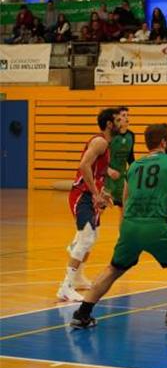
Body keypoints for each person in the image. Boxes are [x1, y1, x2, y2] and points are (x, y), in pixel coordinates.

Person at [70, 123, 167, 329]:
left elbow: (125, 201)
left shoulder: (133, 167)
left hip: (130, 226)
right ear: (163, 142)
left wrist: (126, 231)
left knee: (114, 268)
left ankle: (82, 314)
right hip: (156, 226)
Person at [57, 108, 120, 302]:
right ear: (109, 123)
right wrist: (94, 193)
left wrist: (102, 193)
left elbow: (95, 172)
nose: (122, 123)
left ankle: (77, 277)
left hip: (91, 196)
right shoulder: (99, 141)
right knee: (86, 238)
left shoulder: (105, 145)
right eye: (118, 120)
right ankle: (65, 287)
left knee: (91, 238)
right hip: (82, 196)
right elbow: (83, 166)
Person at [105, 107, 135, 211]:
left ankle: (123, 228)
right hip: (107, 178)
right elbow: (101, 157)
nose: (126, 118)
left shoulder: (131, 135)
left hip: (121, 178)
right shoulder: (111, 135)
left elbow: (130, 157)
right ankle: (93, 227)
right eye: (123, 116)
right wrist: (108, 170)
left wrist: (134, 171)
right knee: (100, 208)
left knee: (124, 208)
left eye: (127, 115)